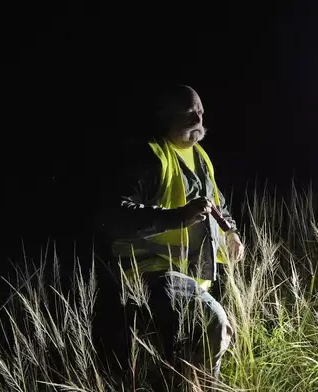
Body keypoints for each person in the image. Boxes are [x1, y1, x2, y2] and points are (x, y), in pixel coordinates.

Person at [94, 84, 244, 388]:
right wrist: (176, 217)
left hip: (192, 276)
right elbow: (114, 215)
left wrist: (231, 232)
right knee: (214, 322)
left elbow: (218, 205)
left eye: (200, 111)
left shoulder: (200, 158)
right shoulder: (148, 155)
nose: (198, 119)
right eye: (189, 113)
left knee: (208, 340)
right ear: (165, 117)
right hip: (150, 271)